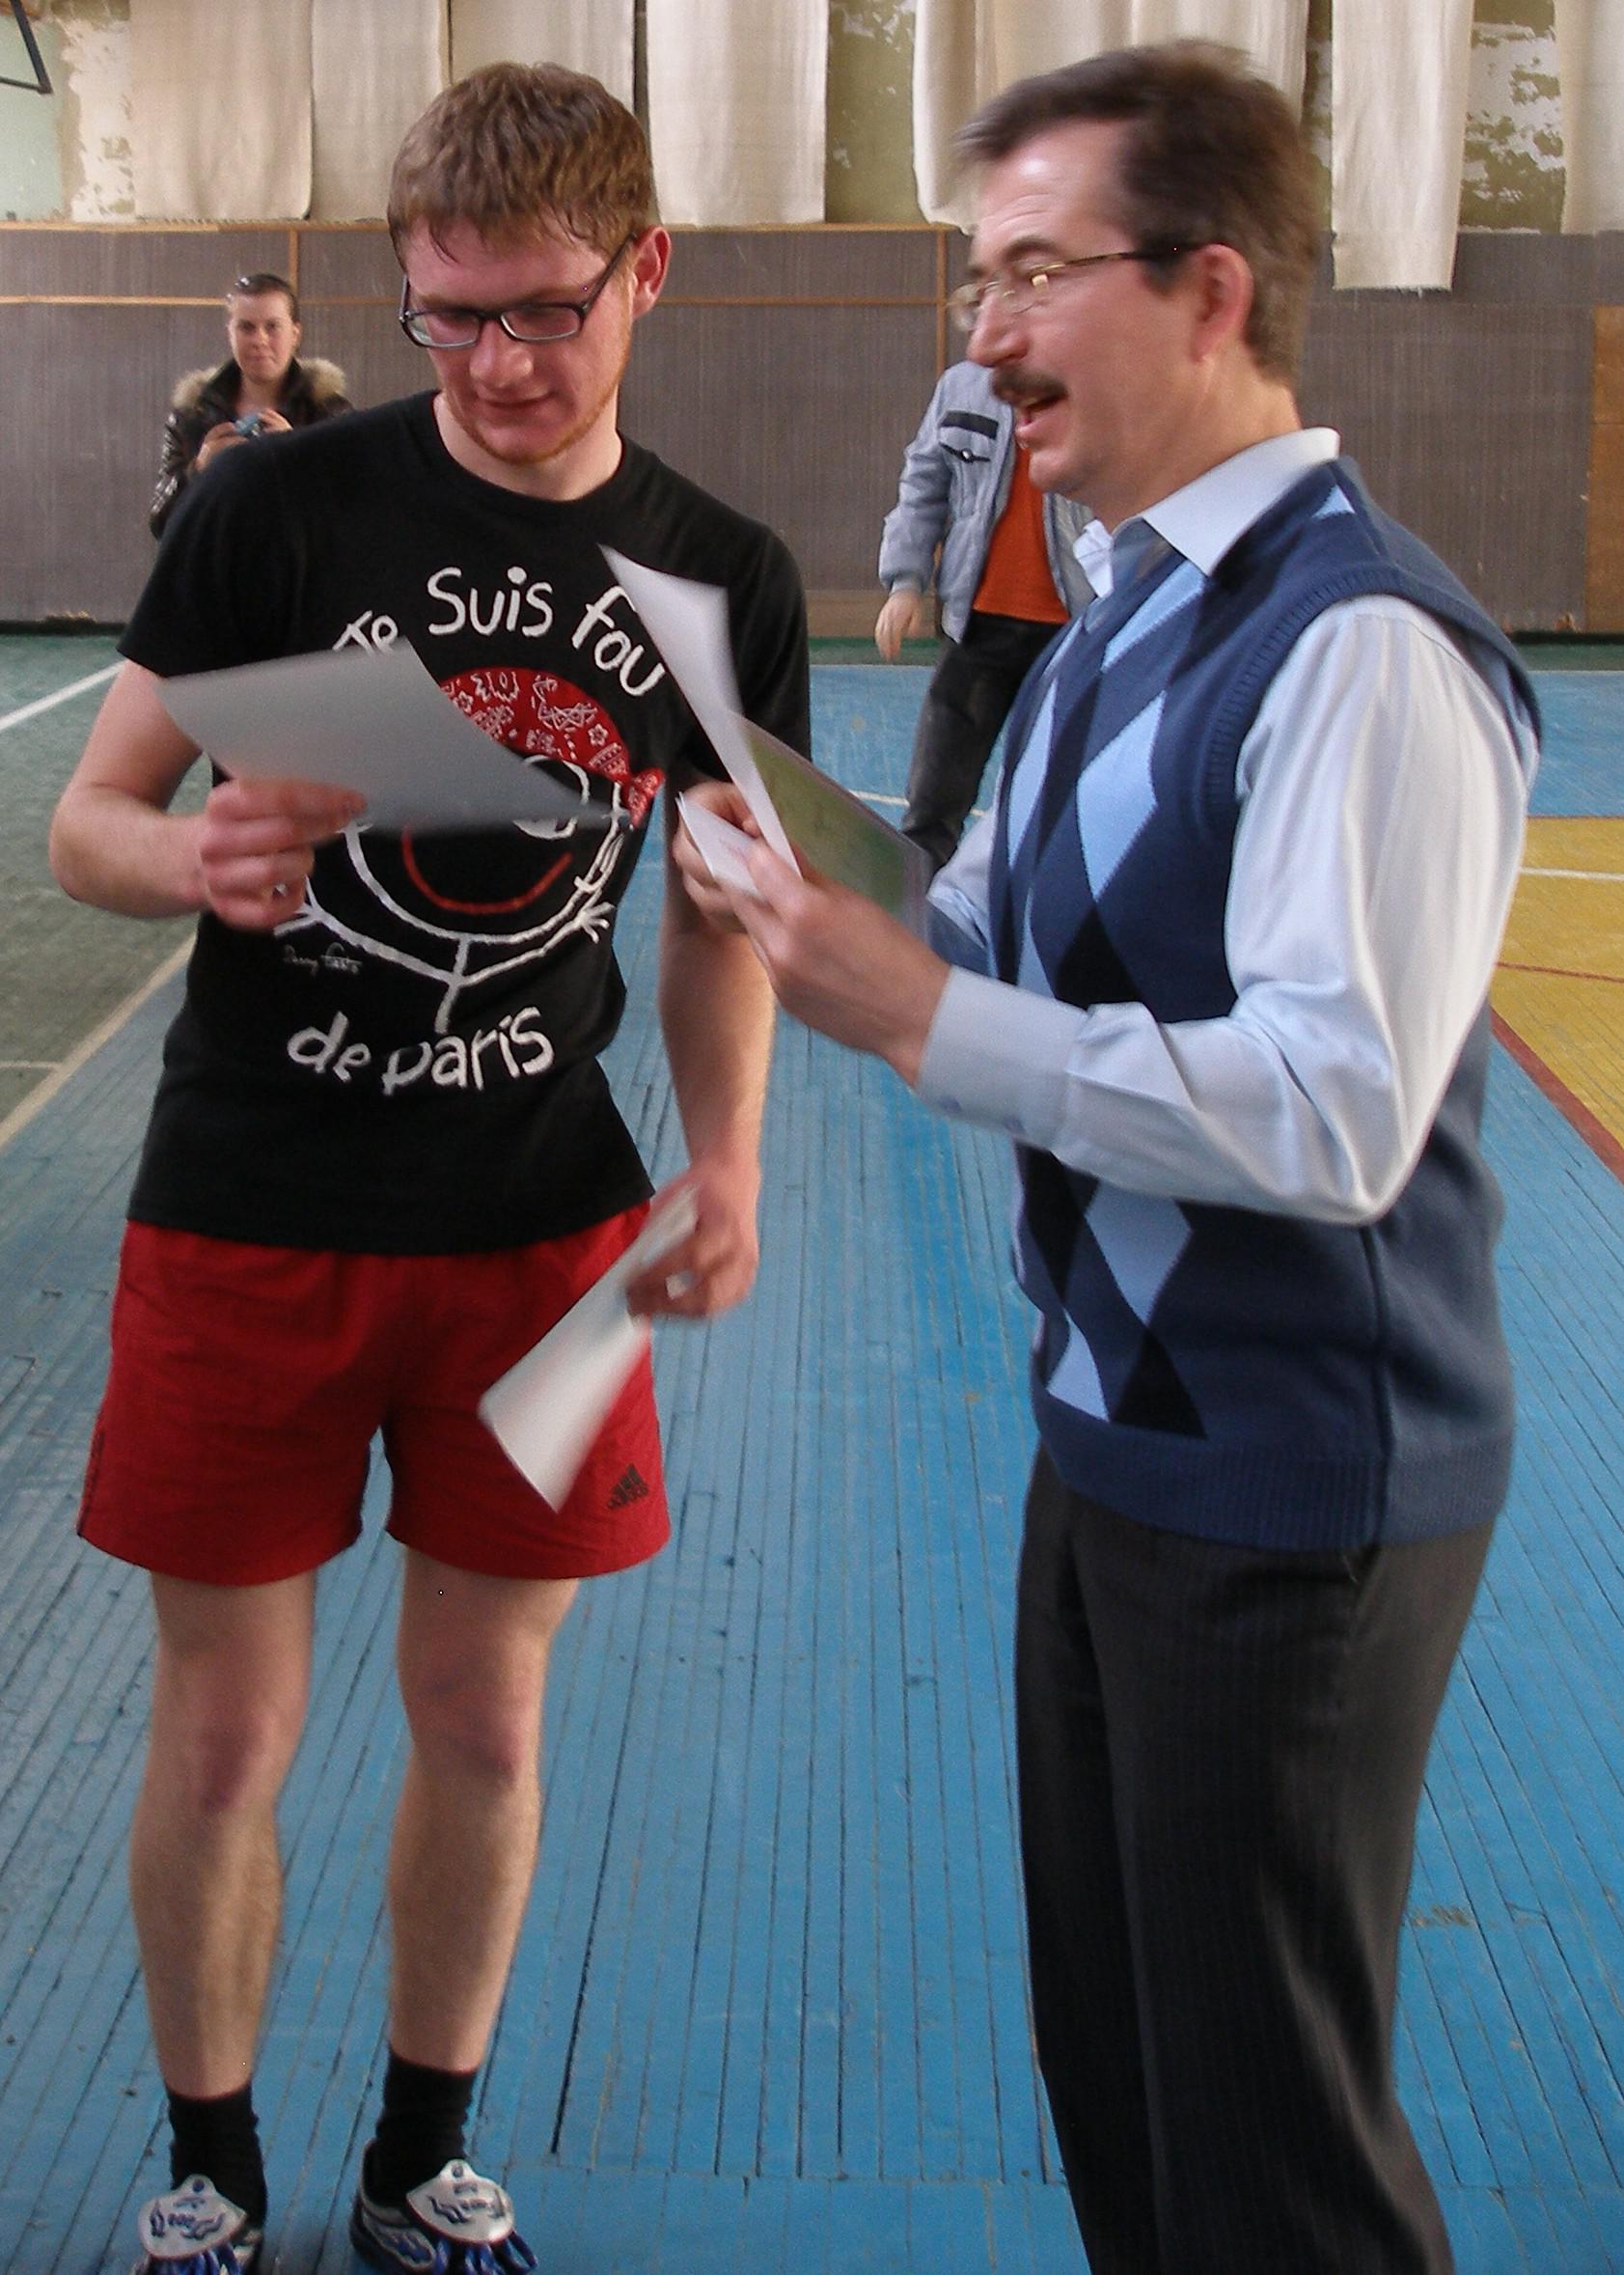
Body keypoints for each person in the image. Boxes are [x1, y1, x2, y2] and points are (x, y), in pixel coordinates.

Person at [676, 42, 1538, 2275]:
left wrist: (912, 1009)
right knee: (1130, 2088)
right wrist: (796, 866)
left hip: (1291, 1485)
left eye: (1032, 274)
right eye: (976, 280)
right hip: (1117, 1448)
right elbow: (980, 925)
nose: (983, 334)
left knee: (1267, 2152)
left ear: (1209, 288)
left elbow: (1336, 1105)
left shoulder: (1360, 643)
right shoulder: (1114, 615)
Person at [51, 61, 807, 2275]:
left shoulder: (720, 580)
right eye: (448, 315)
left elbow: (721, 915)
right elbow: (89, 820)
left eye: (543, 311)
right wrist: (195, 855)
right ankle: (210, 2164)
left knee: (485, 1708)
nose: (493, 363)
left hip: (544, 1237)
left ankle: (419, 2154)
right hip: (246, 1213)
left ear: (646, 271)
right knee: (228, 1732)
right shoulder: (279, 512)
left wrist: (729, 1159)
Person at [876, 358, 1090, 868]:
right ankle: (918, 905)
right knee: (932, 804)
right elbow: (923, 485)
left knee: (1059, 805)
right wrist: (905, 583)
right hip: (974, 631)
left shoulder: (1094, 380)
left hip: (1075, 634)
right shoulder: (962, 386)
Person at [149, 272, 351, 538]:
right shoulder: (192, 416)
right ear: (229, 333)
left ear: (295, 333)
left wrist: (296, 460)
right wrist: (198, 470)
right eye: (246, 327)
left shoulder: (331, 415)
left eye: (273, 326)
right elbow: (161, 524)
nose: (260, 340)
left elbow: (353, 518)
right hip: (218, 562)